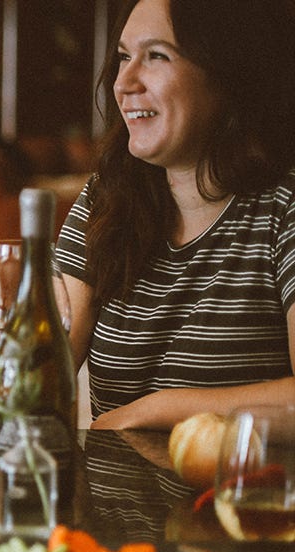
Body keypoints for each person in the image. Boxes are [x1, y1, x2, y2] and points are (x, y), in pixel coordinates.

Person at [55, 0, 295, 430]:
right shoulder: (105, 197)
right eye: (124, 56)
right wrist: (8, 397)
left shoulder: (284, 207)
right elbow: (45, 365)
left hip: (241, 497)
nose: (124, 82)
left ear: (227, 76)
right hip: (118, 498)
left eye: (157, 56)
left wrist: (153, 410)